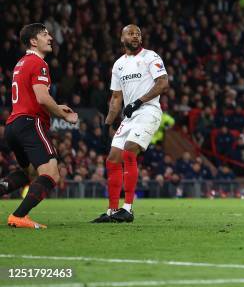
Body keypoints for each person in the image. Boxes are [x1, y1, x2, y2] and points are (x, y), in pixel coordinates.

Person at [0, 23, 78, 229]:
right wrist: (63, 114)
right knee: (51, 173)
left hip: (13, 126)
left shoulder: (21, 63)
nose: (50, 38)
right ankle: (18, 216)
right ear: (33, 41)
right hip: (30, 123)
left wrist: (56, 106)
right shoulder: (39, 63)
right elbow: (42, 98)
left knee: (30, 173)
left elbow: (32, 97)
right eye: (45, 35)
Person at [91, 25, 169, 223]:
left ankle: (128, 209)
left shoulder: (151, 57)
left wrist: (138, 102)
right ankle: (112, 210)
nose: (135, 36)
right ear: (122, 38)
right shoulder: (118, 65)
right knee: (112, 159)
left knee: (128, 151)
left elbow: (163, 84)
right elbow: (116, 98)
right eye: (131, 33)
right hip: (130, 116)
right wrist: (107, 124)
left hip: (148, 110)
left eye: (138, 34)